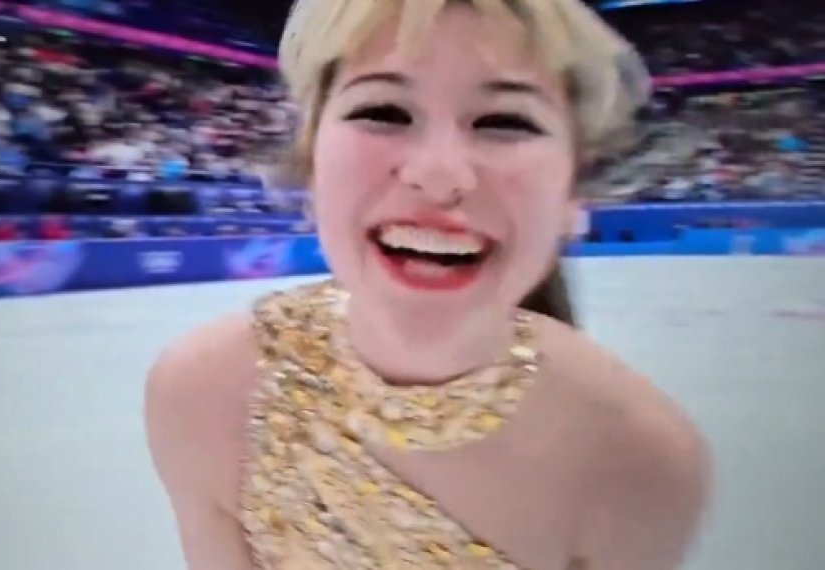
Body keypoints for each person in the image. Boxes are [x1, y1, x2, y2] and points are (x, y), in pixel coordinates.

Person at [145, 1, 711, 569]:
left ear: (572, 192)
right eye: (384, 111)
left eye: (506, 122)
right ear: (311, 162)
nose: (439, 175)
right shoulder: (204, 395)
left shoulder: (639, 463)